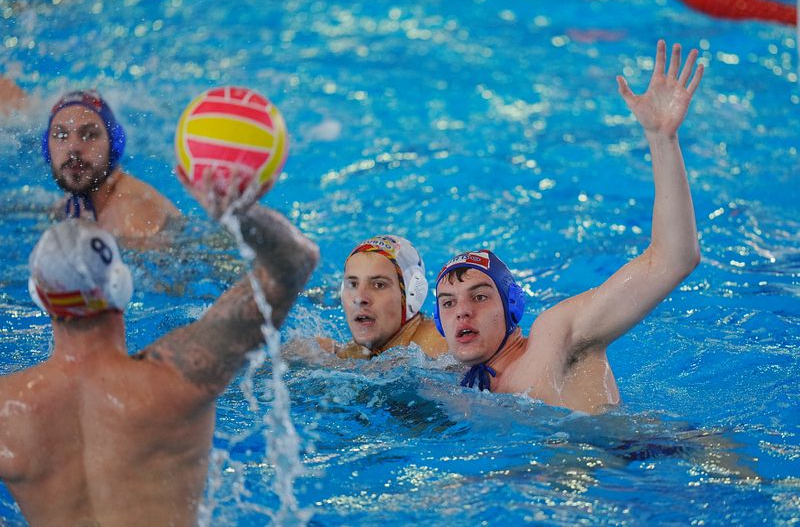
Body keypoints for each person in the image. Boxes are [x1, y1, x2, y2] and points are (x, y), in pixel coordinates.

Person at [0, 182, 319, 525]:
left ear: (39, 296)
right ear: (121, 284)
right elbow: (296, 260)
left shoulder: (7, 408)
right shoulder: (179, 375)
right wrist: (236, 211)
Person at [433, 40, 704, 414]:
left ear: (512, 306)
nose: (462, 312)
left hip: (641, 449)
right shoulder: (459, 381)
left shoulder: (555, 337)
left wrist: (662, 139)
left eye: (479, 297)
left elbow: (673, 259)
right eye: (448, 303)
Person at [42, 89, 182, 240]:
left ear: (113, 144)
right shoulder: (72, 204)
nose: (73, 148)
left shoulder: (133, 216)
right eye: (61, 135)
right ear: (46, 148)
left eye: (89, 134)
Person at [318, 235, 447, 359]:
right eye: (353, 284)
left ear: (412, 294)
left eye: (379, 285)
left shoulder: (442, 352)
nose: (359, 298)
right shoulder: (354, 353)